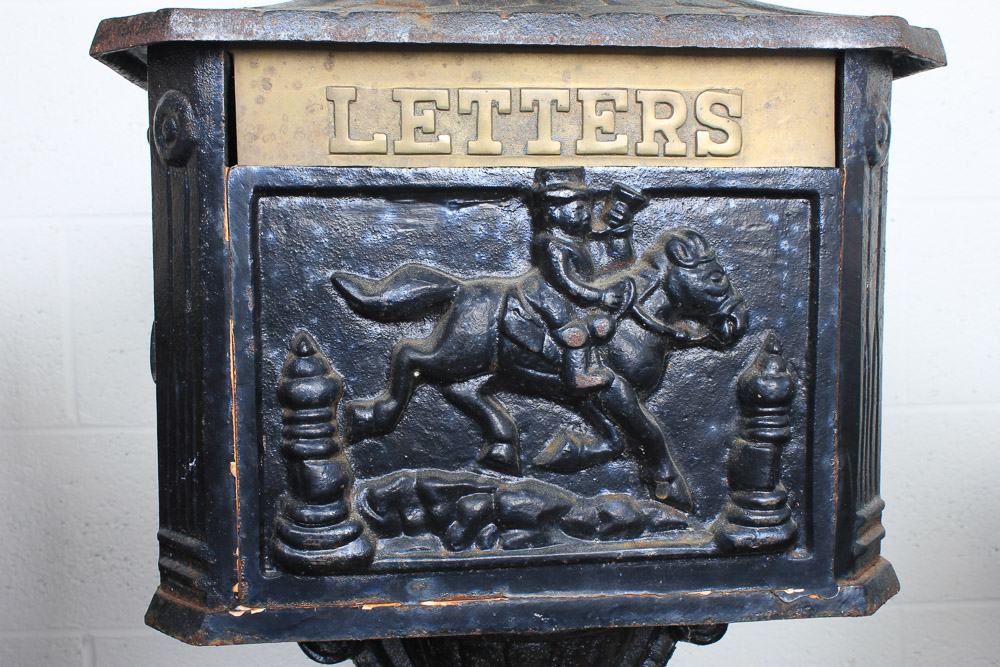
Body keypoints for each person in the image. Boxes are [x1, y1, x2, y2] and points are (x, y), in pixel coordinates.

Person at [520, 168, 632, 394]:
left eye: (587, 210)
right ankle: (577, 375)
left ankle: (589, 364)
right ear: (553, 213)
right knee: (575, 333)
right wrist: (600, 296)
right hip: (547, 295)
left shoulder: (577, 241)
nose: (586, 215)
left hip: (576, 296)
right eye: (579, 209)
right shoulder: (550, 242)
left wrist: (621, 229)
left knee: (599, 326)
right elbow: (565, 282)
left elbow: (616, 261)